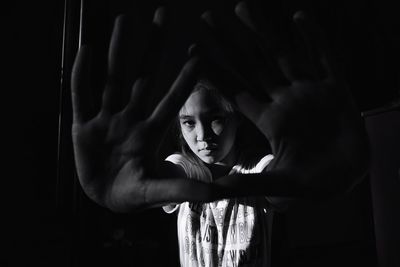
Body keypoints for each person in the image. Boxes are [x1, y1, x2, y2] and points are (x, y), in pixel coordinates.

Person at [70, 2, 369, 266]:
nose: (202, 136)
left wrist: (315, 166)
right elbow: (170, 175)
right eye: (188, 122)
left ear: (237, 119)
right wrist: (134, 176)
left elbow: (277, 185)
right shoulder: (184, 167)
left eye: (215, 119)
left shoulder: (256, 168)